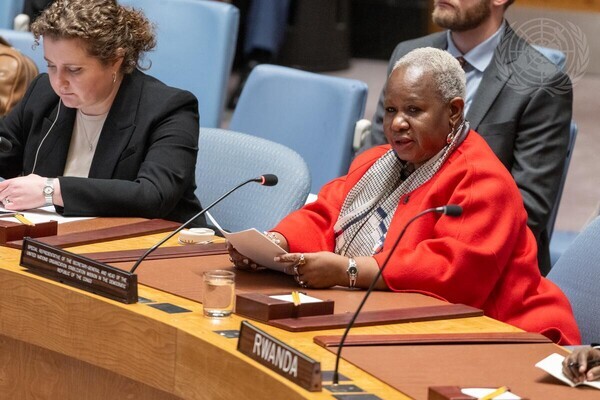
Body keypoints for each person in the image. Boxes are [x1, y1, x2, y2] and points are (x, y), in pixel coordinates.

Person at [229, 47, 579, 345]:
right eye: (391, 110)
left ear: (453, 112)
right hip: (406, 321)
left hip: (511, 333)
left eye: (413, 110)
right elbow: (325, 214)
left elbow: (450, 274)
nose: (397, 123)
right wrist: (275, 245)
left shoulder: (481, 180)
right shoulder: (377, 161)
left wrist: (350, 270)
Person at [359, 0, 573, 276]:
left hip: (479, 261)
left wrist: (421, 253)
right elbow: (375, 159)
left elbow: (526, 210)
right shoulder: (409, 54)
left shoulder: (542, 83)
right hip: (389, 240)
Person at [0, 0, 204, 225]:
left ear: (115, 60)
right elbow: (4, 150)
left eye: (74, 70)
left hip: (151, 240)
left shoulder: (169, 109)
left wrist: (50, 190)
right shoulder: (43, 93)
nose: (59, 82)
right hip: (58, 238)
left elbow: (153, 195)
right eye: (51, 65)